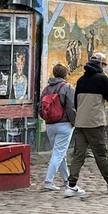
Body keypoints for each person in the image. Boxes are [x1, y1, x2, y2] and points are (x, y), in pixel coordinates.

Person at [65, 52, 108, 197]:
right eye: (104, 65)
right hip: (95, 122)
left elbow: (75, 102)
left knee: (78, 155)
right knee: (100, 154)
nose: (104, 67)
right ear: (100, 64)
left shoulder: (80, 80)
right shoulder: (102, 79)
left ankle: (71, 185)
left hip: (80, 122)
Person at [40, 63, 75, 191]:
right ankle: (48, 181)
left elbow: (40, 109)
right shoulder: (67, 88)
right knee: (58, 153)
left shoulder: (46, 89)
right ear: (65, 74)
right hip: (64, 124)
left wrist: (48, 120)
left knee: (60, 153)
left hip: (50, 125)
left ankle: (67, 180)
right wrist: (75, 123)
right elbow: (71, 108)